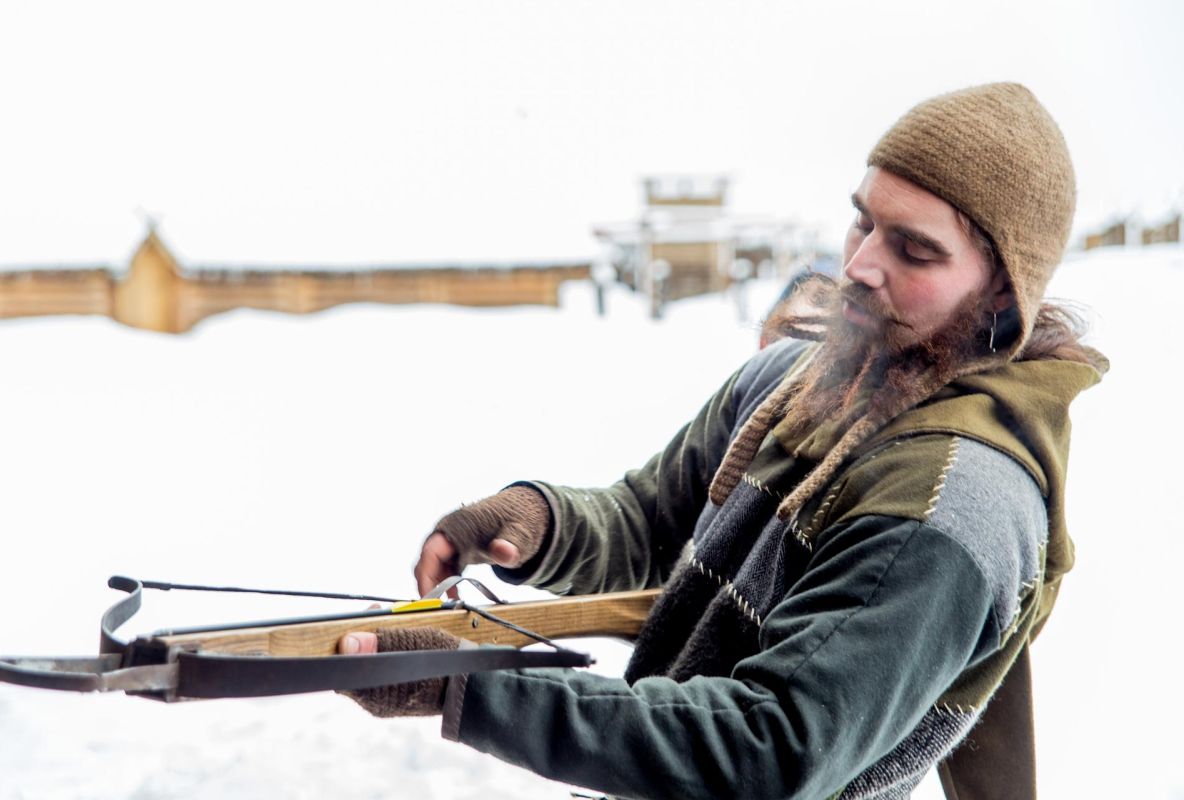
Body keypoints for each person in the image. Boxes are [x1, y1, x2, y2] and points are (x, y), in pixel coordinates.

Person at [338, 83, 1107, 800]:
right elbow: (652, 517)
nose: (860, 264)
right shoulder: (800, 378)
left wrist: (464, 686)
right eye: (863, 221)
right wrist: (532, 522)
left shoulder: (951, 505)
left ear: (1004, 287)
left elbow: (765, 748)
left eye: (914, 249)